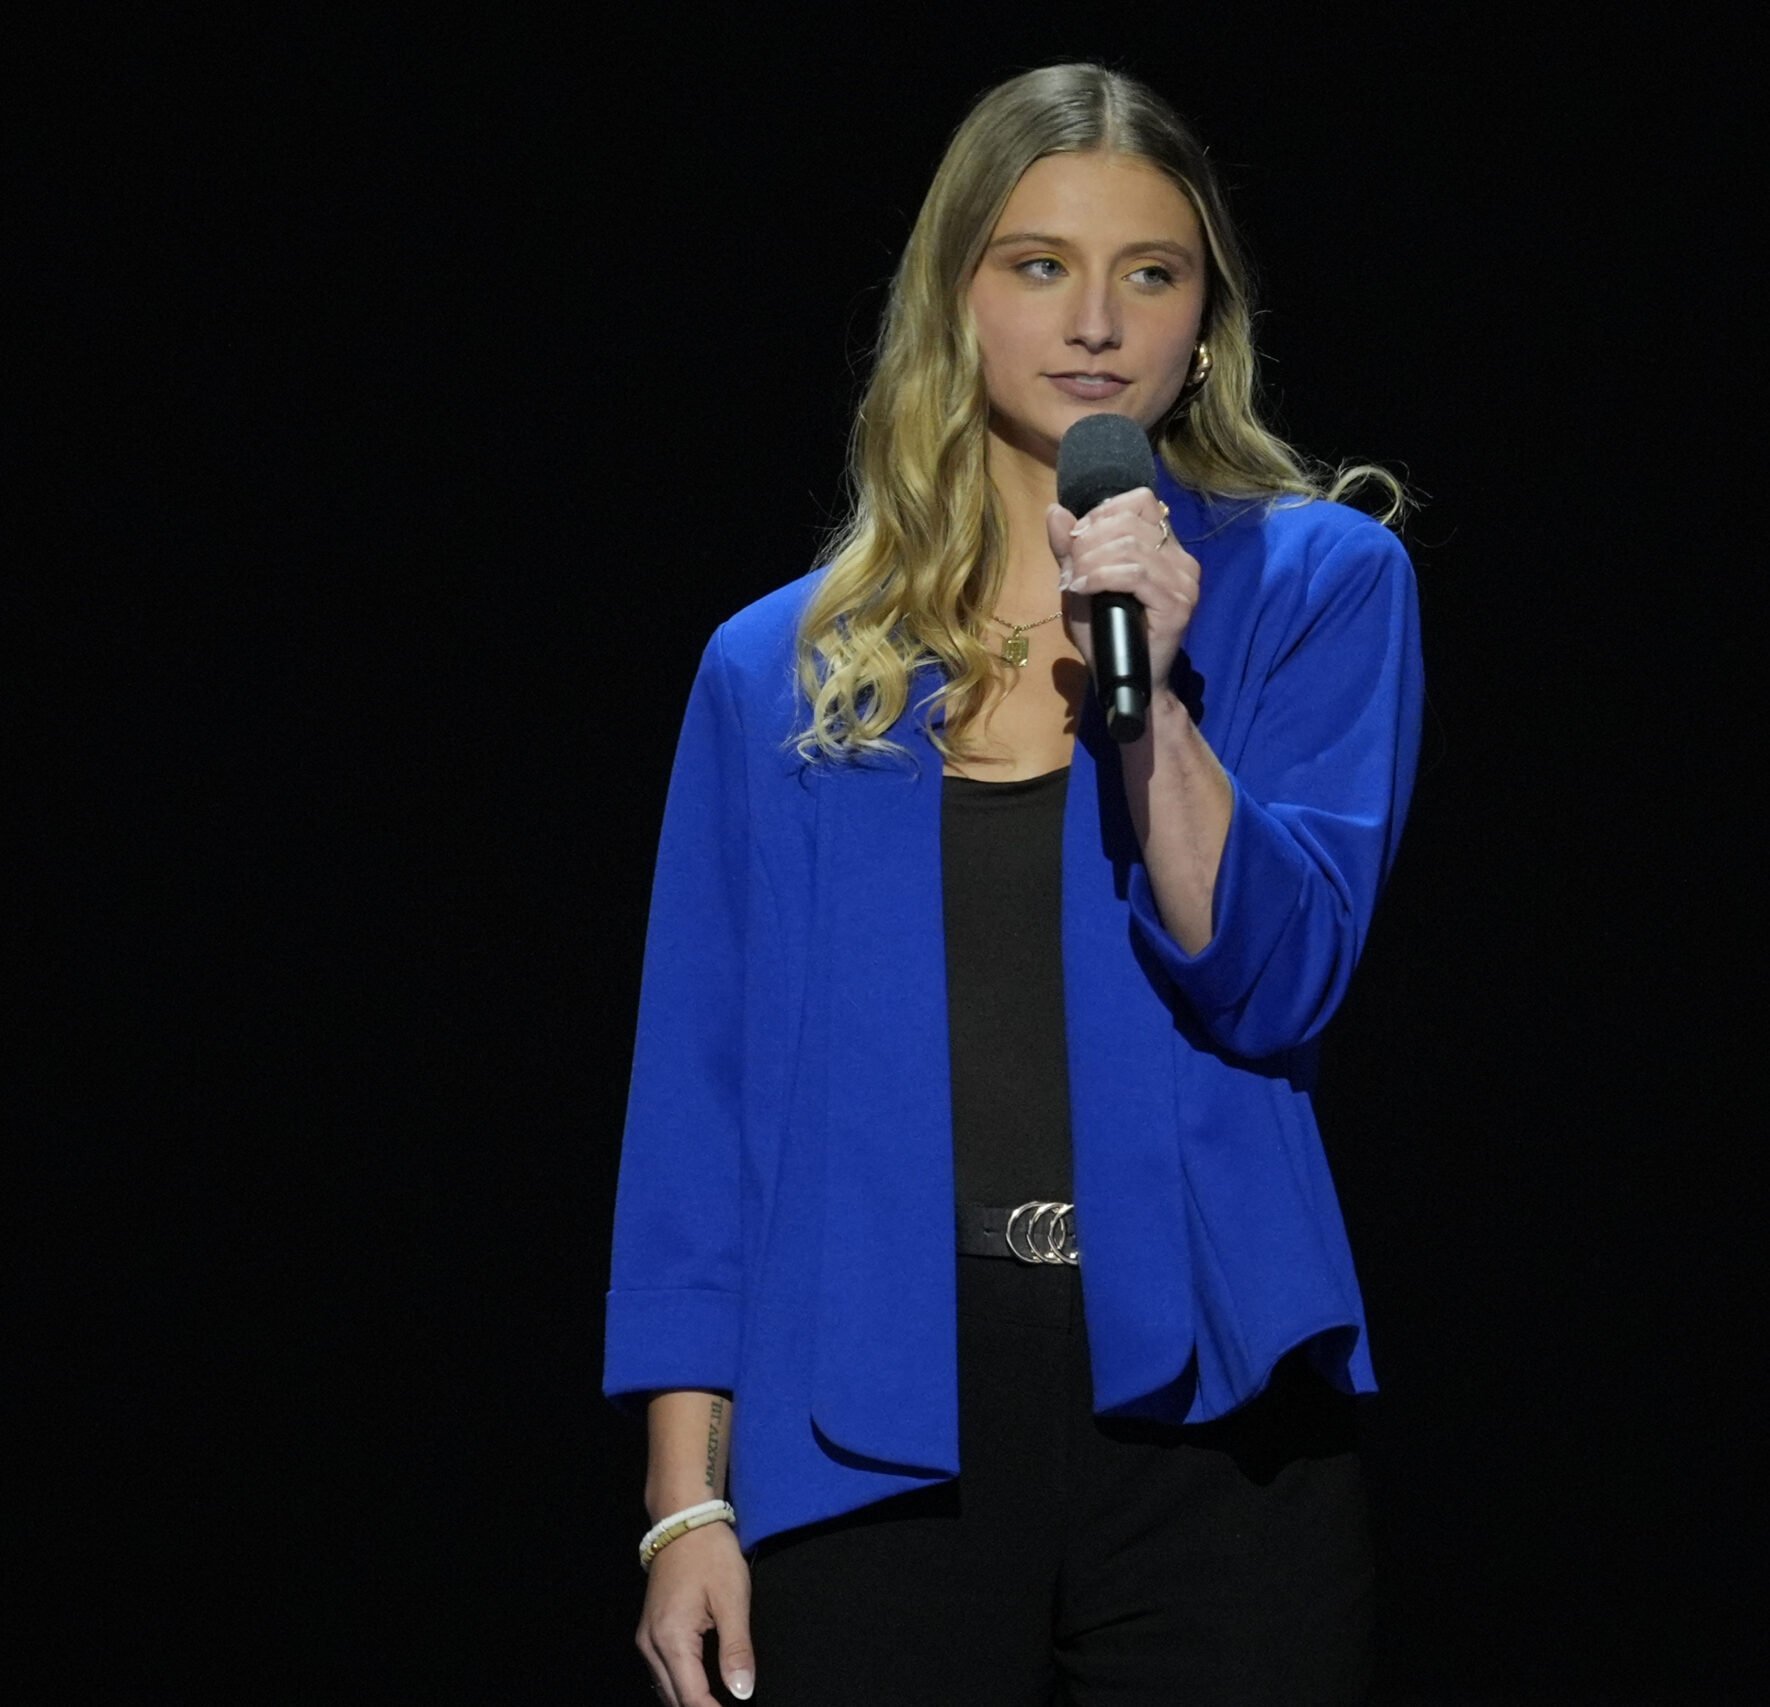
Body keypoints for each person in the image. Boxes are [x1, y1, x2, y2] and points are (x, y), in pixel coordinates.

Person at [607, 62, 1423, 1707]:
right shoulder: (779, 669)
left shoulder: (1317, 585)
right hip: (876, 1420)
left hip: (1214, 1429)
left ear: (1203, 323)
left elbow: (1270, 976)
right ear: (955, 298)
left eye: (1151, 272)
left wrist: (1160, 690)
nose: (1097, 319)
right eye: (1039, 263)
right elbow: (702, 1110)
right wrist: (685, 1500)